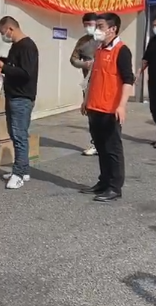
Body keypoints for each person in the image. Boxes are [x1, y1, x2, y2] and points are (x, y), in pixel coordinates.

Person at [81, 13, 134, 202]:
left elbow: (128, 80)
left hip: (110, 109)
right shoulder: (99, 49)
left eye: (100, 26)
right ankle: (103, 181)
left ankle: (114, 187)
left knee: (112, 149)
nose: (97, 30)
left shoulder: (122, 50)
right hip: (95, 107)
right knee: (101, 148)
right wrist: (86, 100)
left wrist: (122, 106)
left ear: (113, 29)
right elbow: (93, 77)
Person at [0, 16, 39, 190]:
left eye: (3, 32)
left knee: (20, 136)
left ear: (10, 29)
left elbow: (26, 73)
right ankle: (23, 169)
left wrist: (4, 67)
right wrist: (2, 63)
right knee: (15, 134)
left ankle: (18, 174)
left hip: (22, 97)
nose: (3, 36)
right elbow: (15, 67)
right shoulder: (16, 46)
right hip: (13, 95)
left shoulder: (27, 46)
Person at [70, 12, 100, 156]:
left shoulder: (104, 40)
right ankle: (95, 142)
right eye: (85, 25)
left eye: (91, 24)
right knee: (91, 113)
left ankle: (107, 142)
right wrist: (84, 64)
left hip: (105, 82)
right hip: (88, 83)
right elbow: (73, 59)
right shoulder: (82, 42)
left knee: (106, 114)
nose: (88, 27)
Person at [138, 16, 156, 147]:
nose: (154, 27)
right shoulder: (153, 41)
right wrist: (138, 74)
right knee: (154, 109)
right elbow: (145, 60)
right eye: (154, 25)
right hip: (153, 82)